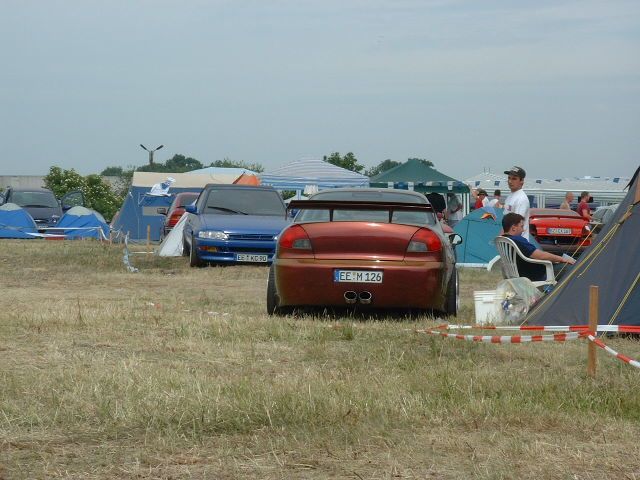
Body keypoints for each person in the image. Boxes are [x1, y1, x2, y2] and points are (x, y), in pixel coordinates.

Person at [501, 212, 575, 282]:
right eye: (521, 226)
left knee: (560, 255)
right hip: (536, 275)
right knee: (572, 267)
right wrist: (562, 259)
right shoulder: (518, 240)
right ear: (513, 228)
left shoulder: (503, 240)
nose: (523, 230)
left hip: (520, 273)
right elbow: (541, 256)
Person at [503, 166, 531, 240]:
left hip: (518, 243)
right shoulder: (510, 196)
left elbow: (517, 226)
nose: (510, 181)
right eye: (509, 178)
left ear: (521, 181)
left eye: (514, 179)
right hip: (510, 241)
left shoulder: (521, 198)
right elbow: (506, 225)